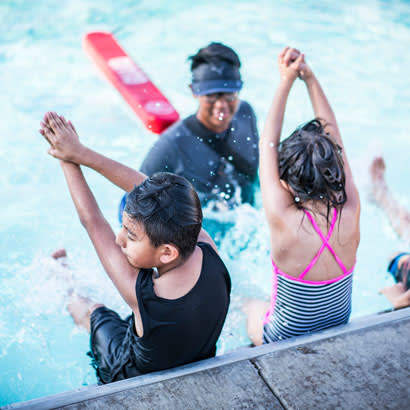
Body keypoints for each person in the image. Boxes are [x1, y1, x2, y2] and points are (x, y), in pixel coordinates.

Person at [39, 112, 231, 383]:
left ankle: (65, 283)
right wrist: (80, 151)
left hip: (128, 374)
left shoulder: (144, 295)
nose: (119, 239)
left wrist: (67, 158)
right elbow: (149, 188)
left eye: (130, 234)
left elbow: (93, 222)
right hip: (195, 357)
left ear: (167, 252)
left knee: (96, 312)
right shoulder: (205, 246)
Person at [243, 47, 361, 346]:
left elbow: (267, 143)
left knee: (245, 303)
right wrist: (310, 78)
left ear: (287, 184)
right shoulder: (350, 208)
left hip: (282, 337)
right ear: (336, 171)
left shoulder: (283, 219)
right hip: (339, 322)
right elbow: (336, 138)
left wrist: (285, 80)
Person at [137, 42, 259, 210]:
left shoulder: (245, 113)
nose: (221, 105)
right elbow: (134, 203)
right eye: (211, 96)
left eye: (230, 95)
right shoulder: (171, 145)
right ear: (194, 91)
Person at [370, 156, 410, 308]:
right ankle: (380, 191)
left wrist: (394, 294)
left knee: (404, 223)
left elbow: (400, 302)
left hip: (401, 266)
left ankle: (380, 191)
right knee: (405, 220)